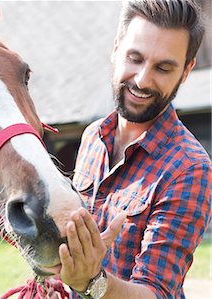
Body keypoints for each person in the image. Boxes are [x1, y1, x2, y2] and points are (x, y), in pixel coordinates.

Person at [56, 0, 211, 298]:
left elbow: (155, 292)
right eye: (135, 58)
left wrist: (91, 282)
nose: (142, 80)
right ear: (116, 49)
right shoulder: (92, 138)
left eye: (163, 68)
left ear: (186, 71)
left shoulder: (189, 169)